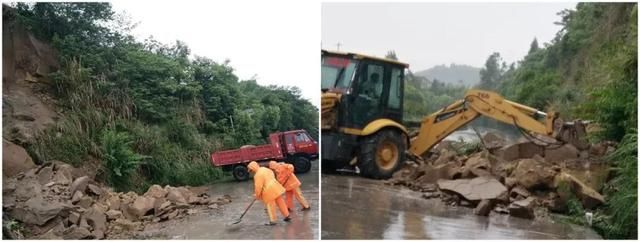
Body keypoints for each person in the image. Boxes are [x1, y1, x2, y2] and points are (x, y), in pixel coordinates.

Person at [247, 161, 291, 225]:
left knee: (270, 206)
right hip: (276, 187)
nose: (251, 172)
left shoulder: (257, 175)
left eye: (251, 170)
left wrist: (257, 195)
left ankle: (273, 221)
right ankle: (287, 216)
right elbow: (272, 174)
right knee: (281, 202)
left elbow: (258, 187)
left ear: (253, 168)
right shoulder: (265, 169)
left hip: (269, 191)